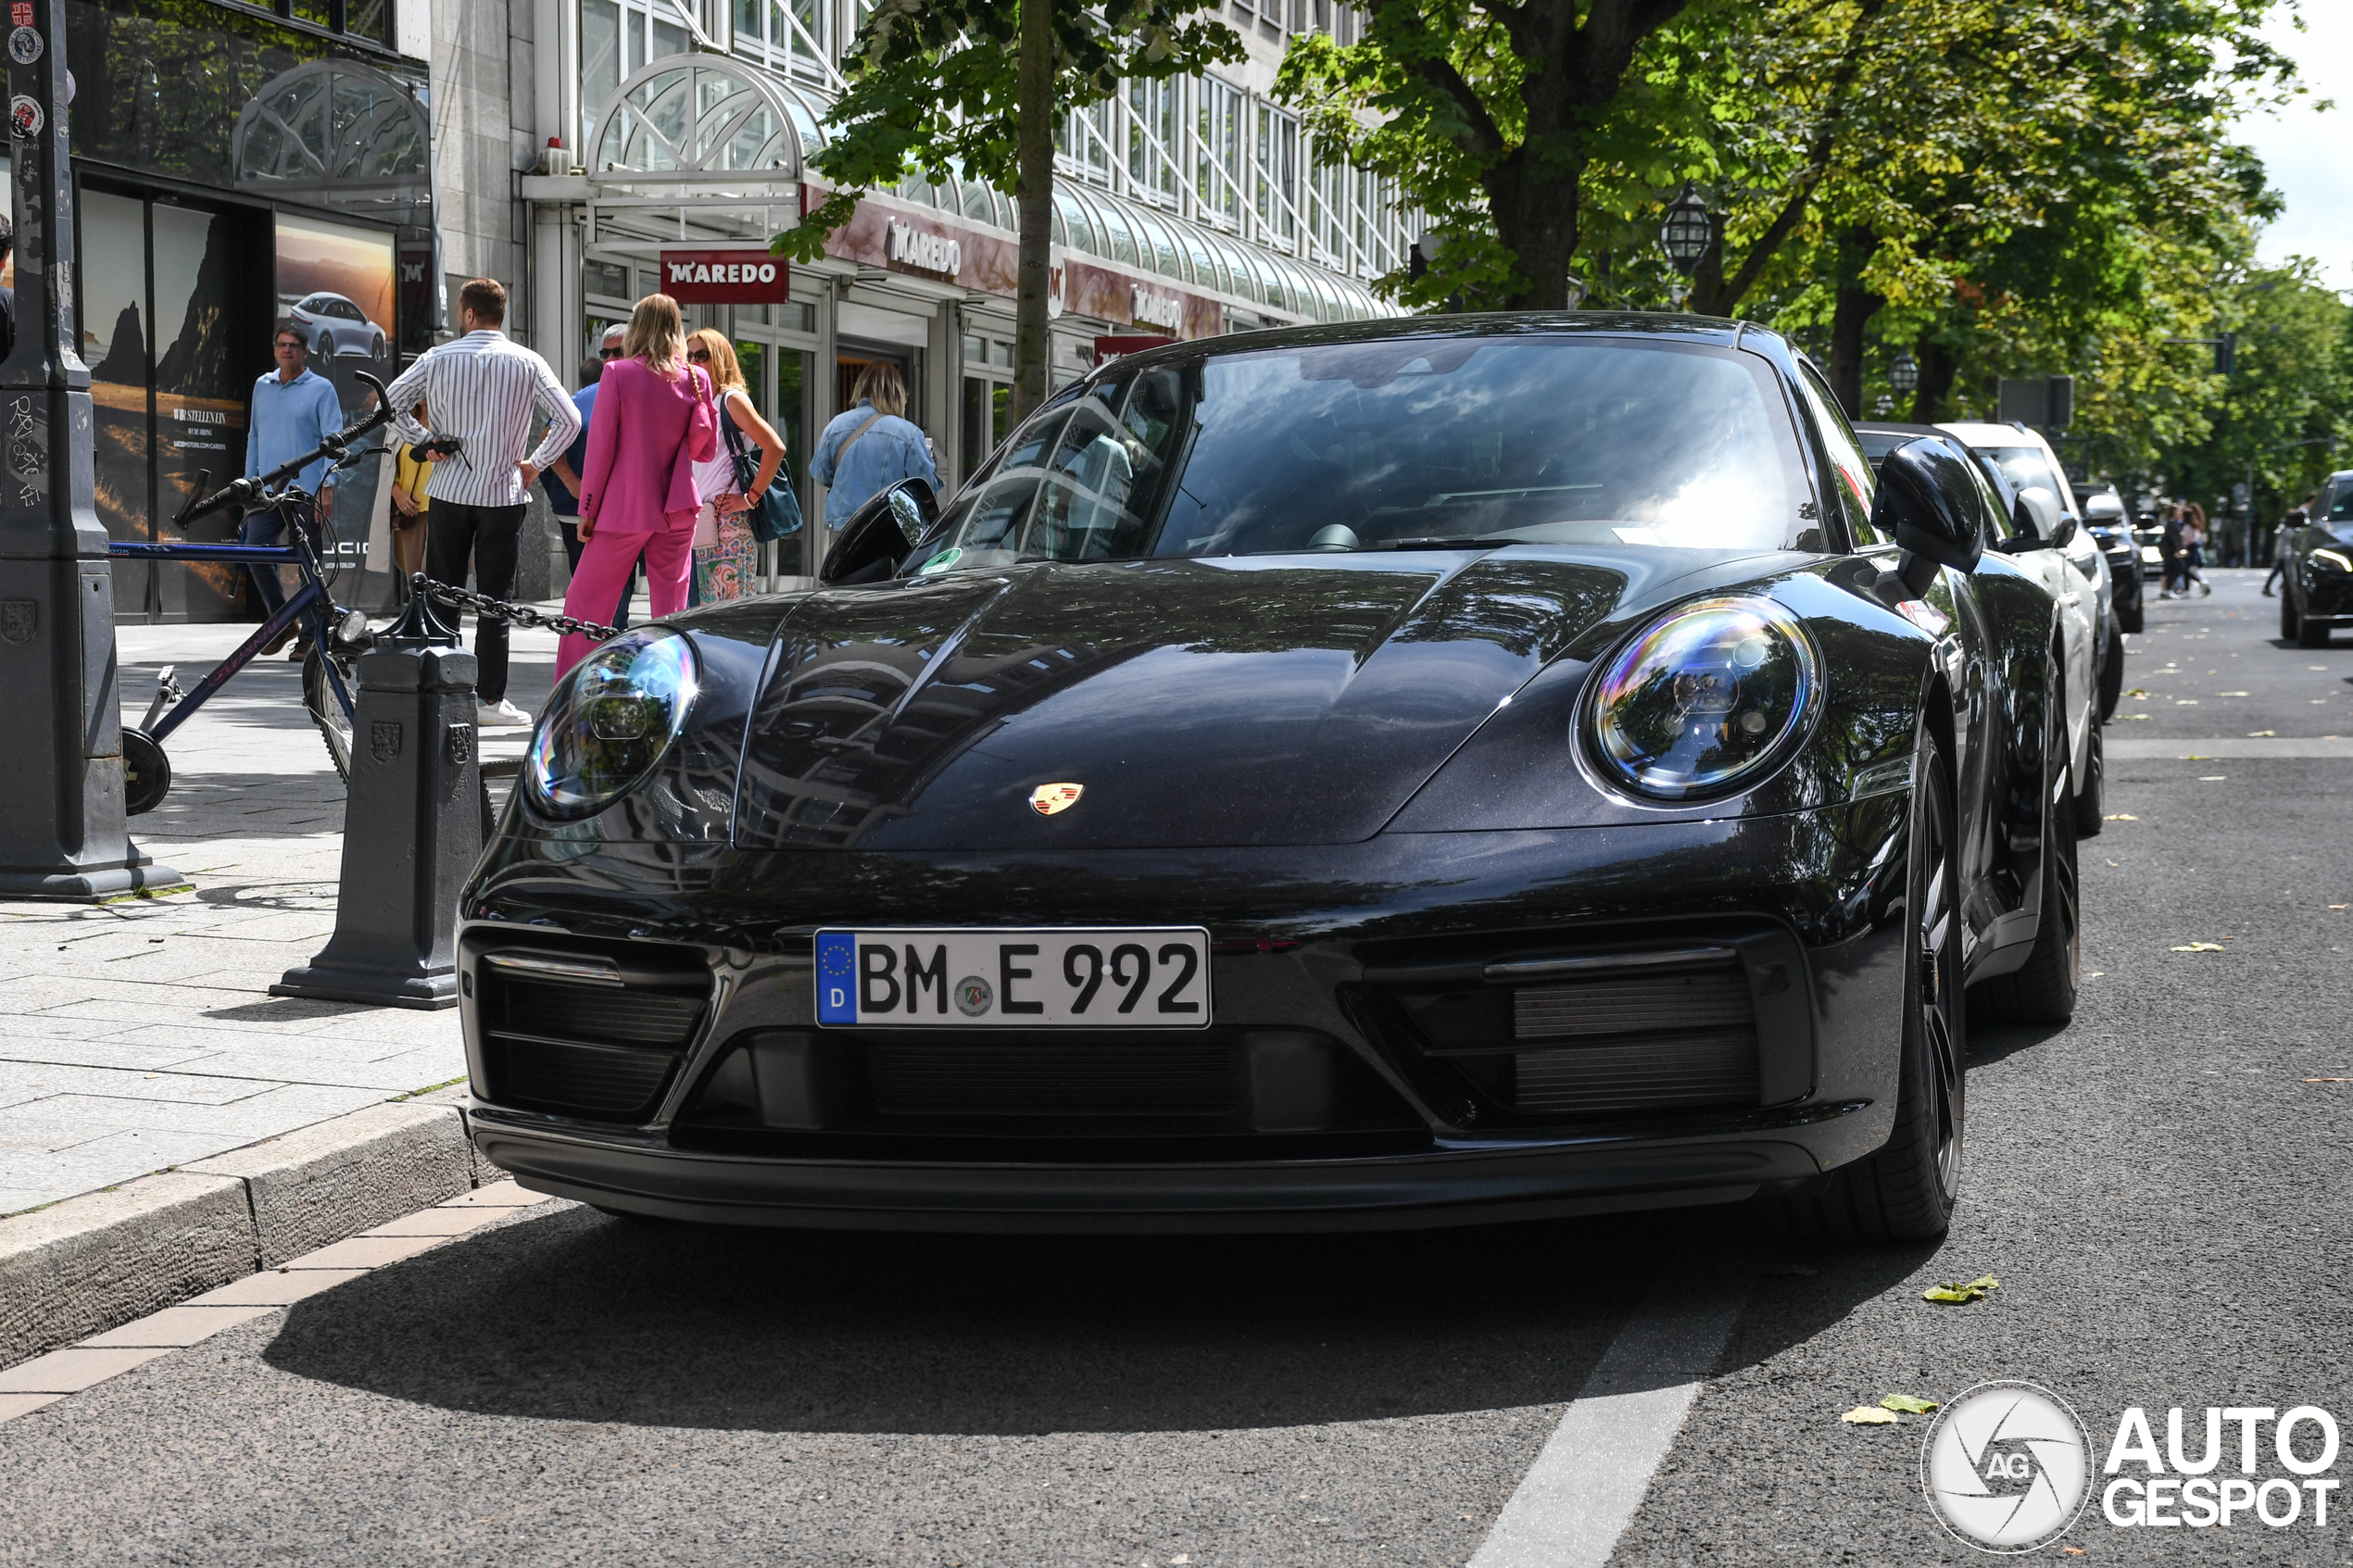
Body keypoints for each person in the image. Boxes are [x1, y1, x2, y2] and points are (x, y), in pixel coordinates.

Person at [382, 278, 581, 728]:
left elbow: (389, 403)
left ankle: (440, 689)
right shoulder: (528, 361)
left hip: (449, 491)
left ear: (469, 314)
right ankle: (489, 701)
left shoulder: (437, 358)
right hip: (504, 493)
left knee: (441, 593)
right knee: (497, 601)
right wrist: (535, 463)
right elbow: (570, 419)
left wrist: (424, 440)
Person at [557, 293, 717, 676]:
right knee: (672, 609)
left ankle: (570, 688)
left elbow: (601, 449)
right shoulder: (697, 378)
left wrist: (588, 510)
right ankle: (673, 688)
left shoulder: (618, 373)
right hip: (678, 506)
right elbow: (706, 451)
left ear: (637, 328)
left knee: (586, 603)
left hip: (624, 508)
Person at [241, 322, 345, 654]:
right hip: (267, 491)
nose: (287, 350)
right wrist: (248, 486)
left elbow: (334, 441)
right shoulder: (262, 386)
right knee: (254, 552)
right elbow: (254, 437)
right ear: (274, 350)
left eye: (294, 346)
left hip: (307, 490)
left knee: (307, 562)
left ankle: (312, 637)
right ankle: (283, 621)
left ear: (304, 351)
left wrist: (328, 486)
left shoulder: (322, 388)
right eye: (282, 345)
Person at [541, 324, 637, 631]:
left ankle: (602, 658)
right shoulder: (583, 398)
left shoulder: (640, 396)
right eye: (605, 353)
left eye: (618, 352)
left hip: (623, 516)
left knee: (611, 599)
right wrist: (572, 484)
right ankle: (597, 659)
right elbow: (547, 440)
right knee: (598, 599)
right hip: (579, 514)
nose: (610, 360)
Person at [684, 329, 786, 605]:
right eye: (689, 355)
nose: (693, 362)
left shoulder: (731, 400)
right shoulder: (695, 402)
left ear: (719, 358)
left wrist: (750, 498)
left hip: (727, 521)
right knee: (696, 613)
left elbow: (775, 447)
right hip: (697, 519)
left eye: (701, 355)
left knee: (725, 614)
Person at [810, 361, 937, 527]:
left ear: (860, 389)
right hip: (890, 524)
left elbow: (821, 474)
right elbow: (925, 484)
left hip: (844, 525)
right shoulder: (909, 433)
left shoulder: (835, 426)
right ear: (898, 395)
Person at [388, 405, 434, 586]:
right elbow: (387, 465)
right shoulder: (402, 421)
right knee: (414, 578)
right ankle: (418, 615)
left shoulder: (451, 422)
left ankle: (436, 615)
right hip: (410, 510)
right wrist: (396, 492)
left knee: (432, 574)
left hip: (443, 507)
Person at [2265, 495, 2313, 596]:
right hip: (2284, 553)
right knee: (2280, 571)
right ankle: (2272, 587)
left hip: (2286, 553)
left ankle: (2276, 587)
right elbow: (2291, 537)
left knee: (2281, 571)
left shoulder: (2287, 528)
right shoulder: (2287, 529)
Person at [2182, 500, 2211, 597]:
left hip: (2189, 549)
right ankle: (2189, 589)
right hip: (2195, 548)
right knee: (2191, 570)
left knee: (2189, 570)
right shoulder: (2195, 525)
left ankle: (2202, 582)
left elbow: (2187, 540)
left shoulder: (2187, 527)